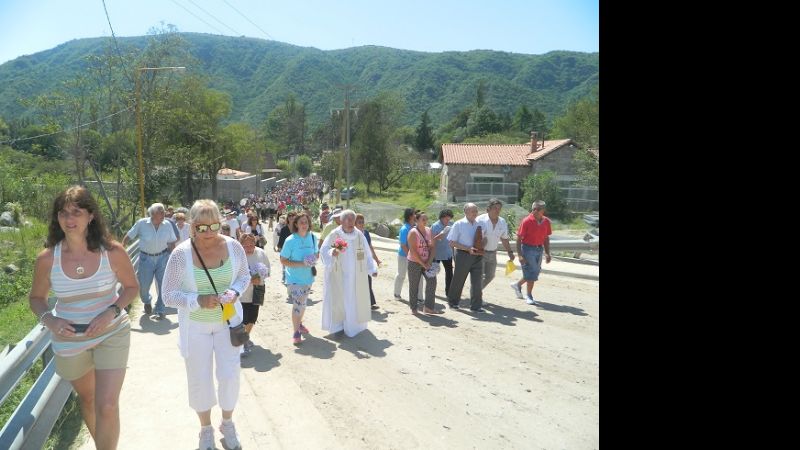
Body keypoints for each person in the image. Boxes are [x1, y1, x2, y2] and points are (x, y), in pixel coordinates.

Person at [29, 185, 138, 450]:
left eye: (76, 212)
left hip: (111, 332)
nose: (69, 219)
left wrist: (111, 311)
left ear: (91, 215)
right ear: (57, 217)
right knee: (88, 400)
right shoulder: (47, 259)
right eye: (63, 212)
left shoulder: (112, 251)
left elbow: (131, 287)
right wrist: (50, 320)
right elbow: (36, 298)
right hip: (70, 339)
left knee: (107, 405)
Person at [162, 199, 250, 450]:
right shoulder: (180, 255)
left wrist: (234, 291)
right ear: (192, 226)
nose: (208, 232)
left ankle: (227, 423)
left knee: (229, 376)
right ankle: (205, 429)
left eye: (214, 226)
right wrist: (197, 300)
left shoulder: (233, 247)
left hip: (228, 324)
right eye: (202, 227)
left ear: (220, 223)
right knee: (200, 379)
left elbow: (244, 275)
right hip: (196, 328)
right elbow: (168, 295)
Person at [320, 209, 378, 337]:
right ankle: (338, 328)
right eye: (348, 219)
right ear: (341, 221)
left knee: (353, 301)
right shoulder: (335, 235)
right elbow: (324, 251)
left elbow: (367, 254)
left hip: (356, 276)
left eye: (353, 219)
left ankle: (354, 326)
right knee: (339, 300)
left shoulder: (359, 235)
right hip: (339, 275)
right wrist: (332, 253)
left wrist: (372, 269)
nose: (351, 222)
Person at [122, 203, 177, 319]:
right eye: (160, 212)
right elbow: (129, 236)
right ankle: (147, 301)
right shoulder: (142, 223)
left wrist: (174, 258)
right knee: (144, 286)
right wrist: (121, 249)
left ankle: (160, 309)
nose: (163, 214)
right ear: (153, 214)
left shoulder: (167, 224)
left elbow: (172, 241)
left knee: (163, 285)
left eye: (163, 211)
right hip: (146, 259)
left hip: (163, 257)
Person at [279, 212, 318, 344]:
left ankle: (299, 323)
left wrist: (313, 259)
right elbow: (283, 260)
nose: (304, 224)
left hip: (308, 277)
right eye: (301, 222)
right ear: (296, 224)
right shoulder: (290, 240)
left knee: (303, 303)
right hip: (294, 278)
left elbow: (316, 253)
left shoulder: (312, 237)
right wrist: (302, 263)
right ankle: (296, 332)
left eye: (306, 222)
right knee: (298, 303)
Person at [511, 200, 552, 306]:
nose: (535, 211)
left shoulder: (546, 221)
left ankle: (517, 284)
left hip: (539, 249)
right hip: (527, 249)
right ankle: (529, 296)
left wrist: (547, 253)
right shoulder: (526, 221)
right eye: (534, 209)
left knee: (535, 272)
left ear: (543, 210)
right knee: (532, 272)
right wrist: (520, 255)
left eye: (538, 209)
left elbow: (546, 238)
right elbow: (519, 239)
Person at [446, 203, 485, 312]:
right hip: (463, 255)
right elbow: (452, 242)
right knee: (459, 280)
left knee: (477, 282)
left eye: (476, 211)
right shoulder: (459, 224)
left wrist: (482, 245)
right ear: (466, 212)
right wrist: (468, 248)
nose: (475, 213)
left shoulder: (479, 224)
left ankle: (476, 306)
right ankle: (453, 302)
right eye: (473, 211)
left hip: (477, 255)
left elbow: (483, 238)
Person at [239, 233, 270, 356]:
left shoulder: (261, 253)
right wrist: (249, 280)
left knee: (252, 318)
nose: (249, 248)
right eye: (245, 246)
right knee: (242, 319)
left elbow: (267, 271)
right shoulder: (238, 255)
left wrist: (260, 278)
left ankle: (245, 337)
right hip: (242, 294)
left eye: (251, 245)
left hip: (257, 290)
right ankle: (242, 342)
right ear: (241, 245)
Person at [406, 211, 441, 315]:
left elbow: (433, 247)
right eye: (423, 219)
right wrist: (423, 263)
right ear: (417, 220)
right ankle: (413, 308)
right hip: (414, 262)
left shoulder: (429, 230)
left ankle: (428, 307)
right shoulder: (413, 232)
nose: (425, 221)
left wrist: (429, 262)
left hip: (427, 261)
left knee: (432, 282)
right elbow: (413, 251)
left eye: (426, 219)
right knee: (414, 285)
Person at [476, 199, 515, 290]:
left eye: (499, 208)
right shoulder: (480, 220)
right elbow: (474, 237)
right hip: (480, 253)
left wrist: (510, 252)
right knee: (478, 276)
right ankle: (476, 295)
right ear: (488, 209)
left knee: (490, 276)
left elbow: (504, 238)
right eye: (495, 208)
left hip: (493, 253)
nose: (497, 210)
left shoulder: (502, 222)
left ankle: (477, 291)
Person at [393, 208, 423, 300]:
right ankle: (397, 294)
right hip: (404, 256)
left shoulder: (416, 227)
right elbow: (403, 245)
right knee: (401, 275)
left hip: (415, 257)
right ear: (410, 216)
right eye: (414, 214)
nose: (416, 215)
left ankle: (419, 297)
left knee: (419, 277)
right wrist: (411, 256)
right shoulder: (404, 229)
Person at [355, 213, 381, 310]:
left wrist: (376, 259)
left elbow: (370, 246)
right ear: (355, 223)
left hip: (366, 260)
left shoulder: (366, 233)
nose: (362, 224)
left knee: (368, 280)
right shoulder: (353, 234)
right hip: (357, 260)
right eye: (359, 222)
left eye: (363, 222)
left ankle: (370, 303)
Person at [431, 209, 454, 296]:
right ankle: (431, 291)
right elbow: (431, 240)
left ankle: (449, 292)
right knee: (433, 272)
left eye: (449, 219)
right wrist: (438, 236)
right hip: (436, 253)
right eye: (446, 219)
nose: (448, 221)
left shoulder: (451, 224)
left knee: (449, 272)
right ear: (441, 218)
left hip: (447, 253)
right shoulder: (435, 226)